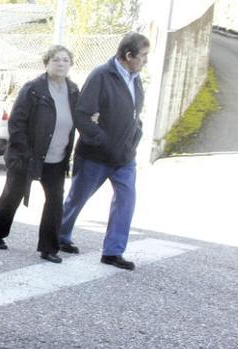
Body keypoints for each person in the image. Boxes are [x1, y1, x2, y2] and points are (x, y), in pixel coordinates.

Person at [59, 32, 150, 271]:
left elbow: (133, 114)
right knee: (77, 199)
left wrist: (135, 136)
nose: (146, 61)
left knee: (126, 200)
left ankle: (113, 251)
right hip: (95, 155)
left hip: (125, 156)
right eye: (143, 56)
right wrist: (102, 139)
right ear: (128, 55)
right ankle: (60, 235)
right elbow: (82, 114)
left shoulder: (135, 77)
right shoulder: (101, 75)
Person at [0, 45, 80, 263]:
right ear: (46, 63)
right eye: (56, 60)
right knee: (13, 194)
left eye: (65, 60)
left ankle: (49, 248)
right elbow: (17, 123)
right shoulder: (33, 89)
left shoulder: (74, 90)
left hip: (57, 157)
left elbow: (80, 116)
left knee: (55, 201)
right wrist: (24, 151)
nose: (61, 64)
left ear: (71, 65)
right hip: (27, 156)